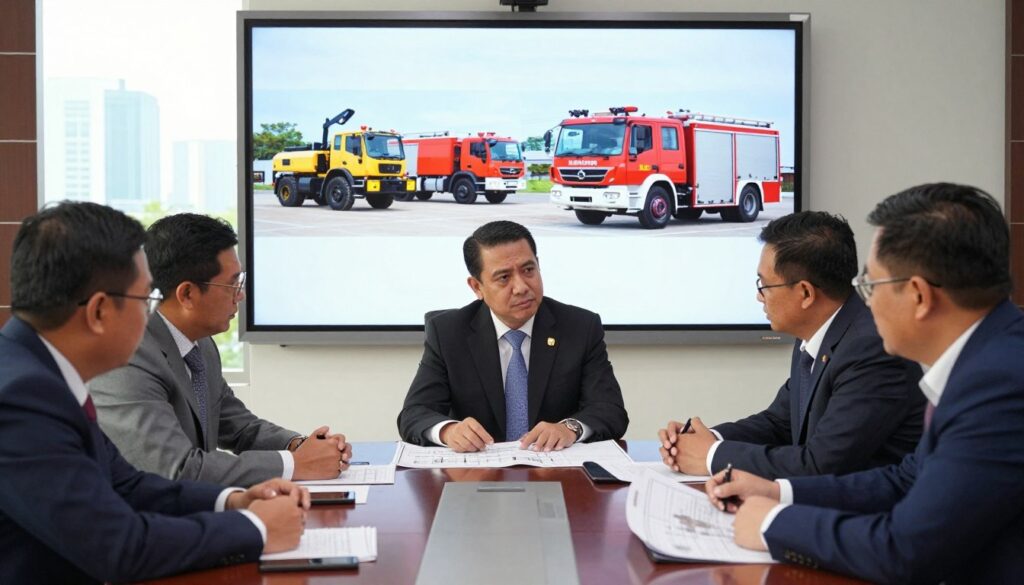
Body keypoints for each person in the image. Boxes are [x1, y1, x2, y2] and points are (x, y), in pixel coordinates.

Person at [707, 183, 1024, 584]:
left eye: (871, 286)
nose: (865, 304)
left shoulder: (999, 385)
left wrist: (774, 524)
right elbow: (905, 479)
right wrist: (780, 494)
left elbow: (905, 551)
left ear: (918, 295)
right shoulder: (989, 358)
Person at [0, 202, 309, 584]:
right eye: (145, 299)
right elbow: (119, 546)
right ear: (99, 312)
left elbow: (127, 485)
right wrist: (256, 528)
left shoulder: (40, 374)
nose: (151, 315)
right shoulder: (20, 398)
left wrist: (233, 501)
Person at [657, 211, 924, 479]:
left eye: (764, 285)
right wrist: (707, 439)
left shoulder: (871, 349)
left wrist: (711, 455)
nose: (759, 296)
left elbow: (820, 465)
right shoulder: (817, 333)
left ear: (805, 293)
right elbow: (779, 423)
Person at [90, 213, 350, 487]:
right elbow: (177, 469)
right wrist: (295, 464)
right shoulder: (128, 356)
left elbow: (239, 427)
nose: (241, 295)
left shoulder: (200, 345)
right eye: (232, 284)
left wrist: (300, 445)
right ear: (187, 294)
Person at [397, 220, 628, 452]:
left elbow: (610, 410)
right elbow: (414, 413)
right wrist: (449, 431)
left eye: (528, 270)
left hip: (555, 466)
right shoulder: (448, 332)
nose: (521, 287)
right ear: (477, 287)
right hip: (479, 468)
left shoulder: (580, 327)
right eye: (504, 278)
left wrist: (569, 428)